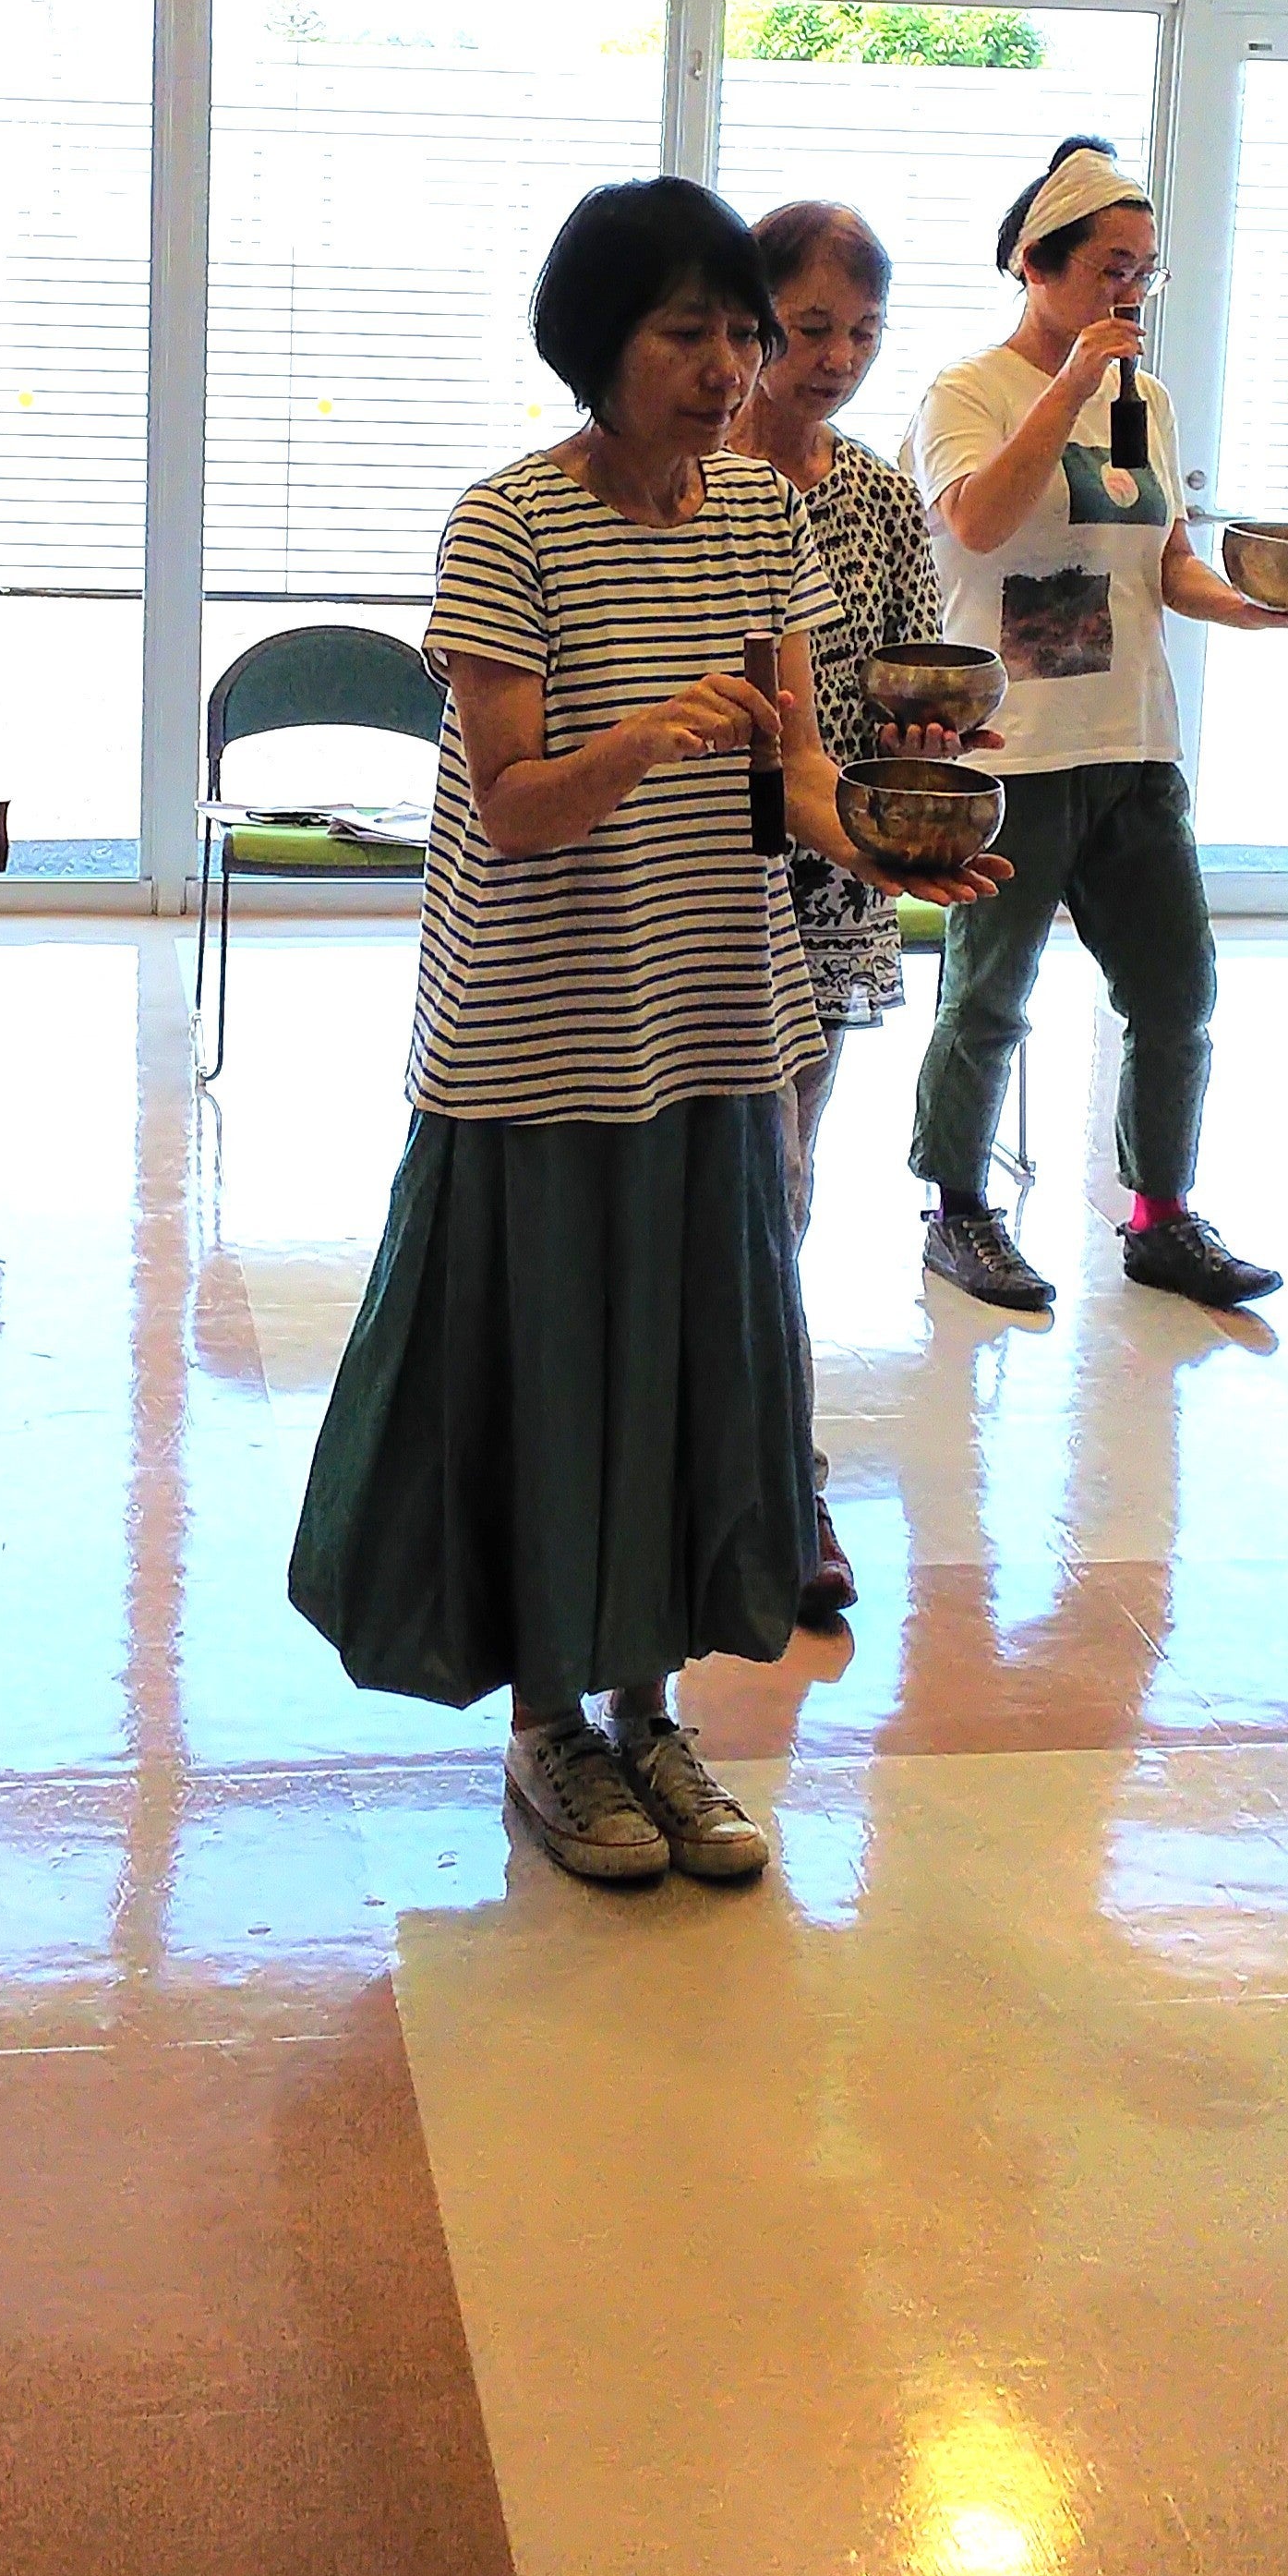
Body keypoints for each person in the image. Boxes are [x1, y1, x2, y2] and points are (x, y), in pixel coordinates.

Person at [288, 178, 1005, 1890]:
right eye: (689, 331)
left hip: (719, 1021)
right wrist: (654, 733)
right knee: (551, 1378)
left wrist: (887, 850)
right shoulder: (509, 525)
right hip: (538, 1033)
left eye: (741, 332)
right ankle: (549, 1723)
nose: (727, 364)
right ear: (595, 340)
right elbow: (517, 801)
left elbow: (797, 773)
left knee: (689, 1369)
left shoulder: (762, 517)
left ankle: (651, 1707)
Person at [899, 139, 1288, 1318]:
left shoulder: (1141, 400)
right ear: (1031, 265)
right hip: (1012, 751)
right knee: (988, 994)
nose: (1130, 290)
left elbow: (1161, 558)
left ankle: (1160, 1215)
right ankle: (957, 1208)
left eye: (1144, 269)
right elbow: (977, 522)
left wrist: (1251, 607)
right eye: (1108, 266)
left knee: (1176, 991)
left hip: (1131, 741)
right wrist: (1068, 383)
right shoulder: (966, 391)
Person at [729, 199, 957, 1627]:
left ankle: (781, 1477)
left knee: (787, 1187)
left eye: (863, 333)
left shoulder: (875, 494)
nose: (837, 358)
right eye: (811, 327)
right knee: (719, 1189)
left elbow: (916, 674)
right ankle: (718, 1466)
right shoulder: (692, 481)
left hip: (829, 879)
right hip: (691, 884)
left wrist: (935, 747)